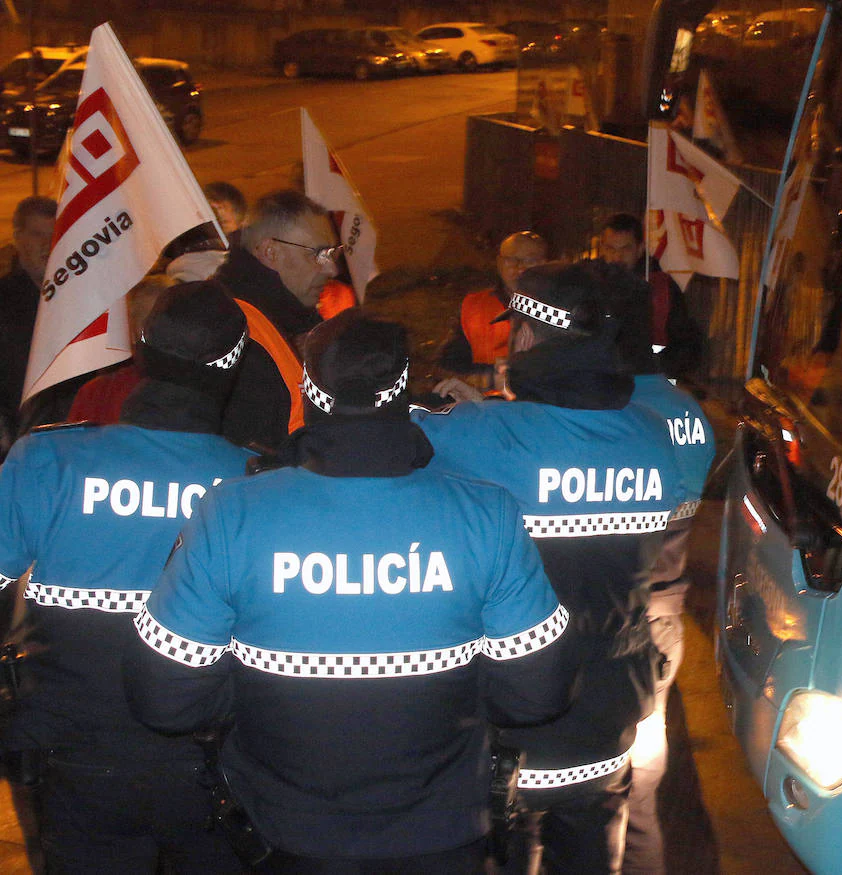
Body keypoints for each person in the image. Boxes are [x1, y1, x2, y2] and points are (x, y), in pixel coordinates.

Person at [126, 310, 576, 873]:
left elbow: (165, 699)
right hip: (441, 831)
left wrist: (256, 694)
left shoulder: (233, 511)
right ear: (402, 391)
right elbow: (537, 695)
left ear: (308, 391)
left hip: (279, 833)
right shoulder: (486, 513)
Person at [415, 263, 685, 874]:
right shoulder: (652, 434)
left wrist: (466, 411)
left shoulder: (482, 433)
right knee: (591, 852)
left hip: (509, 711)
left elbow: (382, 441)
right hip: (610, 710)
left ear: (532, 337)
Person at [0, 281, 254, 872]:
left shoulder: (49, 459)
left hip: (74, 761)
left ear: (141, 348)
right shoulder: (255, 482)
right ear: (233, 367)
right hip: (216, 768)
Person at [584, 261, 715, 875]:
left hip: (615, 616)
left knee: (596, 786)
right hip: (667, 609)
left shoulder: (613, 419)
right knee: (644, 783)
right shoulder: (690, 411)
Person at [214, 189, 338, 449]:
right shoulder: (235, 333)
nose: (332, 269)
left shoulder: (291, 320)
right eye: (317, 254)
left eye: (331, 254)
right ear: (270, 252)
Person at [436, 231, 548, 395]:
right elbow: (446, 366)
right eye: (511, 260)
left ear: (545, 264)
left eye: (529, 260)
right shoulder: (474, 307)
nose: (519, 268)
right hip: (487, 408)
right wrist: (492, 377)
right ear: (499, 263)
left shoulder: (562, 309)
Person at [598, 213, 704, 380]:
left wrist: (660, 369)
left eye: (626, 249)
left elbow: (684, 343)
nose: (617, 257)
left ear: (640, 249)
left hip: (650, 381)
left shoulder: (662, 288)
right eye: (611, 249)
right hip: (601, 381)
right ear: (602, 249)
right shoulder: (589, 284)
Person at [65, 275, 173, 424]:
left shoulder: (205, 387)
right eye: (152, 324)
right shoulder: (98, 395)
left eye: (171, 322)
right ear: (130, 331)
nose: (165, 333)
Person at [0, 196, 56, 455]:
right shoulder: (5, 301)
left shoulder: (78, 301)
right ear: (17, 238)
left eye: (54, 235)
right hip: (14, 445)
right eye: (37, 234)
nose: (47, 244)